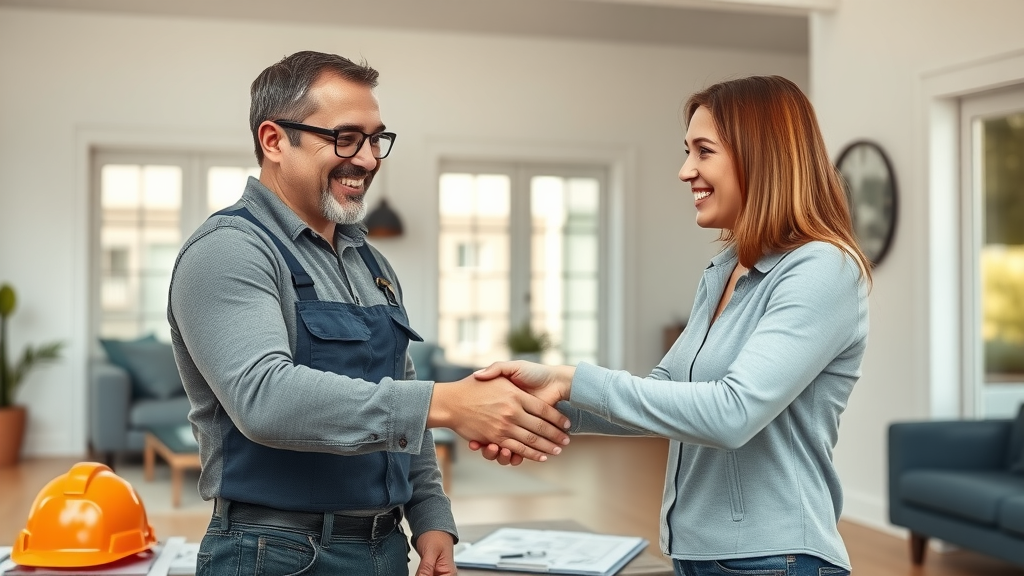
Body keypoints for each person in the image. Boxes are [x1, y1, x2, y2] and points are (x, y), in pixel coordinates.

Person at [167, 51, 570, 576]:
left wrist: (429, 515)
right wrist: (446, 402)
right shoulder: (229, 252)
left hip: (384, 548)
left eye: (376, 139)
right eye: (345, 137)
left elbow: (400, 392)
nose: (369, 159)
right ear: (273, 141)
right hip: (274, 553)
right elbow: (264, 398)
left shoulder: (371, 263)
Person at [473, 75, 871, 576]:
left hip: (777, 558)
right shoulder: (726, 269)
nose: (686, 171)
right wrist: (538, 409)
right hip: (696, 554)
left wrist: (572, 378)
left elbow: (733, 413)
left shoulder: (822, 269)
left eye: (703, 151)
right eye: (688, 151)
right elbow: (665, 392)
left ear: (760, 157)